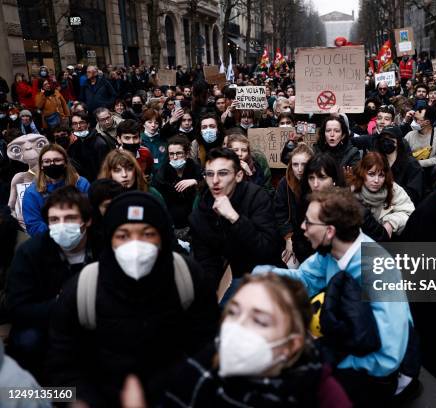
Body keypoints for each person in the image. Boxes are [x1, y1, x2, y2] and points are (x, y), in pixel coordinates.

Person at [46, 191, 220, 406]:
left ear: (162, 238)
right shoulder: (83, 288)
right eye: (123, 235)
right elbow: (62, 362)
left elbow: (207, 346)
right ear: (110, 239)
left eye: (148, 234)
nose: (135, 246)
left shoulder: (187, 277)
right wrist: (81, 401)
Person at [254, 187, 411, 406]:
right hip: (349, 341)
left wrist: (326, 361)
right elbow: (304, 280)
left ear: (329, 231)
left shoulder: (376, 268)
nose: (302, 228)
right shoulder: (330, 253)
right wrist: (259, 276)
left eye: (308, 222)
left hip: (374, 370)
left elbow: (389, 356)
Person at [163, 272, 352, 408]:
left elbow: (382, 353)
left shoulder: (375, 256)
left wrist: (345, 363)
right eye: (233, 312)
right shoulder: (196, 372)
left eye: (260, 321)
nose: (303, 226)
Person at [7, 186, 96, 374]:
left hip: (93, 322)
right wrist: (61, 304)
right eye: (54, 220)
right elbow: (17, 308)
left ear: (87, 221)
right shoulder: (30, 252)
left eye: (70, 218)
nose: (62, 225)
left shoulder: (102, 248)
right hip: (45, 325)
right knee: (28, 341)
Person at [190, 147, 281, 293]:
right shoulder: (201, 212)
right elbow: (206, 261)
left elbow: (267, 250)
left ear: (238, 176)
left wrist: (235, 218)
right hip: (227, 282)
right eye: (209, 174)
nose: (215, 181)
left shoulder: (256, 197)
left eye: (223, 173)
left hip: (263, 276)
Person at [23, 144, 90, 236]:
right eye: (47, 161)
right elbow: (33, 226)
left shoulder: (81, 184)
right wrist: (60, 230)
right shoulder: (32, 192)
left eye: (57, 160)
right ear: (41, 165)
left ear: (66, 163)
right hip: (49, 242)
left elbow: (90, 213)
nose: (52, 164)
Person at [350, 152, 414, 241]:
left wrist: (391, 223)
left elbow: (410, 213)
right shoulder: (352, 191)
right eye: (371, 174)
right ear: (362, 173)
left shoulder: (393, 189)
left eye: (381, 175)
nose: (376, 180)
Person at [152, 135, 203, 235]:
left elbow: (207, 183)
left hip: (193, 223)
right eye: (171, 154)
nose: (174, 157)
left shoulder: (193, 167)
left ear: (187, 154)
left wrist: (195, 181)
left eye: (179, 153)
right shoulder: (162, 173)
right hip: (171, 224)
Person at [274, 143, 314, 267]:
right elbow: (280, 213)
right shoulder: (284, 183)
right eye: (295, 164)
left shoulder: (317, 182)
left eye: (304, 164)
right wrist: (288, 238)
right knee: (289, 265)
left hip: (314, 237)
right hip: (293, 236)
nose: (300, 169)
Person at [372, 127, 423, 204]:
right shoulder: (376, 161)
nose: (386, 142)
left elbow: (414, 193)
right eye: (383, 138)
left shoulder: (411, 164)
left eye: (391, 138)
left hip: (402, 206)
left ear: (398, 141)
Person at [404, 106, 436, 187]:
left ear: (427, 122)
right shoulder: (410, 135)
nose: (413, 122)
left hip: (429, 175)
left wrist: (417, 163)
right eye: (413, 119)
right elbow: (402, 154)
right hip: (411, 173)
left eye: (416, 120)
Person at [98, 150, 164, 202]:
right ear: (109, 173)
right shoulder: (104, 199)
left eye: (129, 169)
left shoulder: (152, 194)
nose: (124, 175)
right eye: (117, 170)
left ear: (135, 170)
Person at [67, 111, 112, 183]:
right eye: (75, 124)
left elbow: (104, 169)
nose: (78, 127)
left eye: (82, 123)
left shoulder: (99, 143)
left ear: (88, 124)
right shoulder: (74, 143)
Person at [140, 108, 166, 172]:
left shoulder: (163, 139)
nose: (153, 125)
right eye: (150, 122)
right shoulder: (139, 140)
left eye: (156, 123)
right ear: (143, 124)